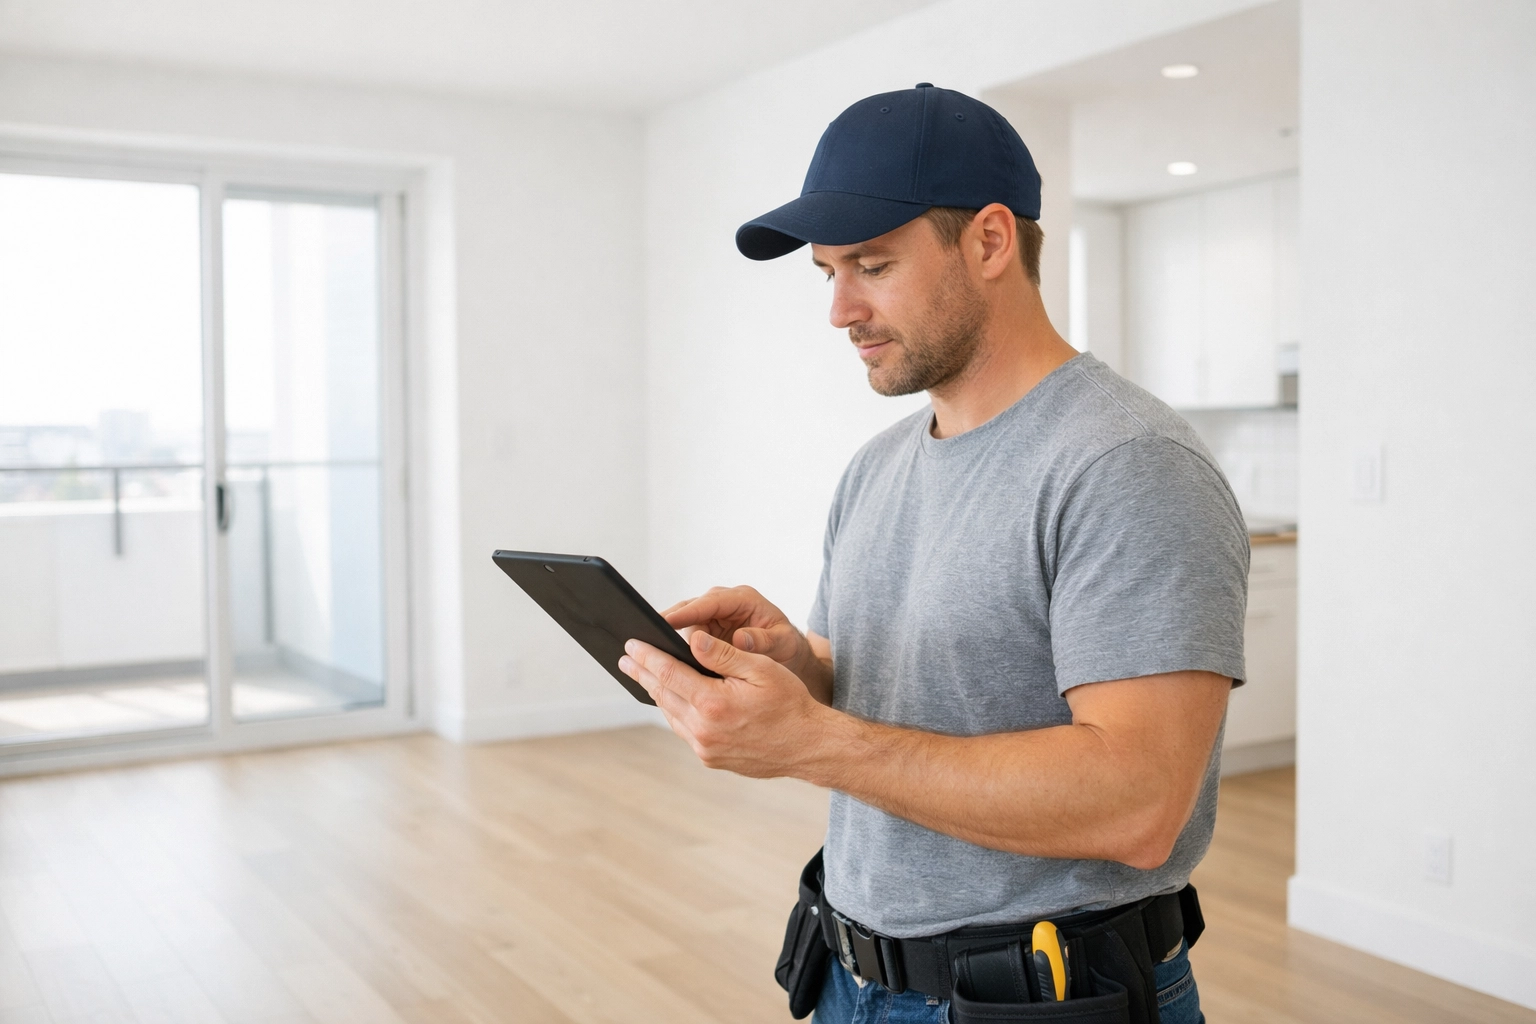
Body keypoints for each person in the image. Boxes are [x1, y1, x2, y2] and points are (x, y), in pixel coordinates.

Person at [617, 83, 1246, 1024]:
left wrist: (811, 742)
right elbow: (904, 692)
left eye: (871, 265)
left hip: (1043, 998)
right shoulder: (879, 467)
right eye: (827, 272)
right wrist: (802, 669)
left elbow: (1138, 806)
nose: (839, 309)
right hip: (849, 976)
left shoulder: (1128, 465)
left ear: (991, 241)